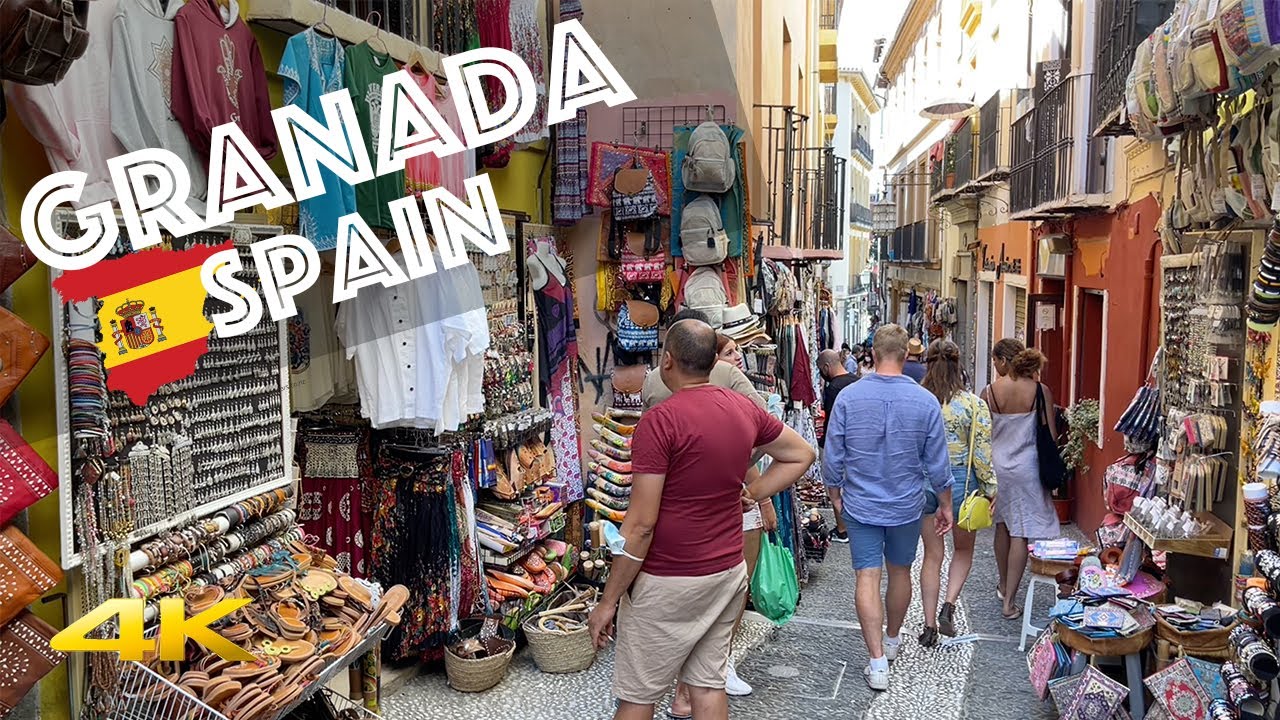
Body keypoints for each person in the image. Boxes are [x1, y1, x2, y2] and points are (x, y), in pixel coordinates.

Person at [597, 319, 814, 720]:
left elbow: (641, 524)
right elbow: (801, 454)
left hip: (668, 576)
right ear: (714, 362)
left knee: (639, 695)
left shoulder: (658, 422)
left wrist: (608, 600)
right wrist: (756, 492)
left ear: (667, 362)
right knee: (708, 684)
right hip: (725, 569)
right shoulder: (743, 409)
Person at [650, 329, 779, 713]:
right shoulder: (732, 389)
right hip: (727, 519)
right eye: (731, 350)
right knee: (722, 612)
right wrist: (756, 491)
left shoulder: (656, 394)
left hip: (676, 529)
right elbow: (791, 449)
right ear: (712, 358)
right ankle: (698, 682)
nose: (738, 357)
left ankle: (682, 690)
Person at [822, 324, 952, 691]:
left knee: (867, 576)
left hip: (860, 502)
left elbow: (833, 456)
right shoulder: (925, 401)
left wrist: (835, 495)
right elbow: (938, 465)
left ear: (874, 356)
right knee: (900, 573)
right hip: (906, 504)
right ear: (907, 356)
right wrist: (945, 505)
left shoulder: (848, 397)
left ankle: (877, 662)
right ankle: (892, 639)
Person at [916, 340, 996, 646]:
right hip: (962, 483)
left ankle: (928, 625)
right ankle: (949, 605)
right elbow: (983, 454)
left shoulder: (920, 401)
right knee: (963, 551)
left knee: (932, 556)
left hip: (925, 482)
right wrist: (990, 489)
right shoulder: (974, 405)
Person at [981, 342, 1059, 620]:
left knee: (1002, 526)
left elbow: (984, 434)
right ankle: (1010, 602)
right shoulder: (1040, 391)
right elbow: (1050, 433)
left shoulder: (989, 392)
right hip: (1027, 466)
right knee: (1020, 532)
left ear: (1004, 361)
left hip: (998, 467)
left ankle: (1003, 585)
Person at [817, 349, 856, 544]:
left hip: (838, 442)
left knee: (835, 486)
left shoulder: (834, 387)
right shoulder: (857, 381)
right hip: (856, 442)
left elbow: (832, 420)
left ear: (826, 367)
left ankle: (842, 529)